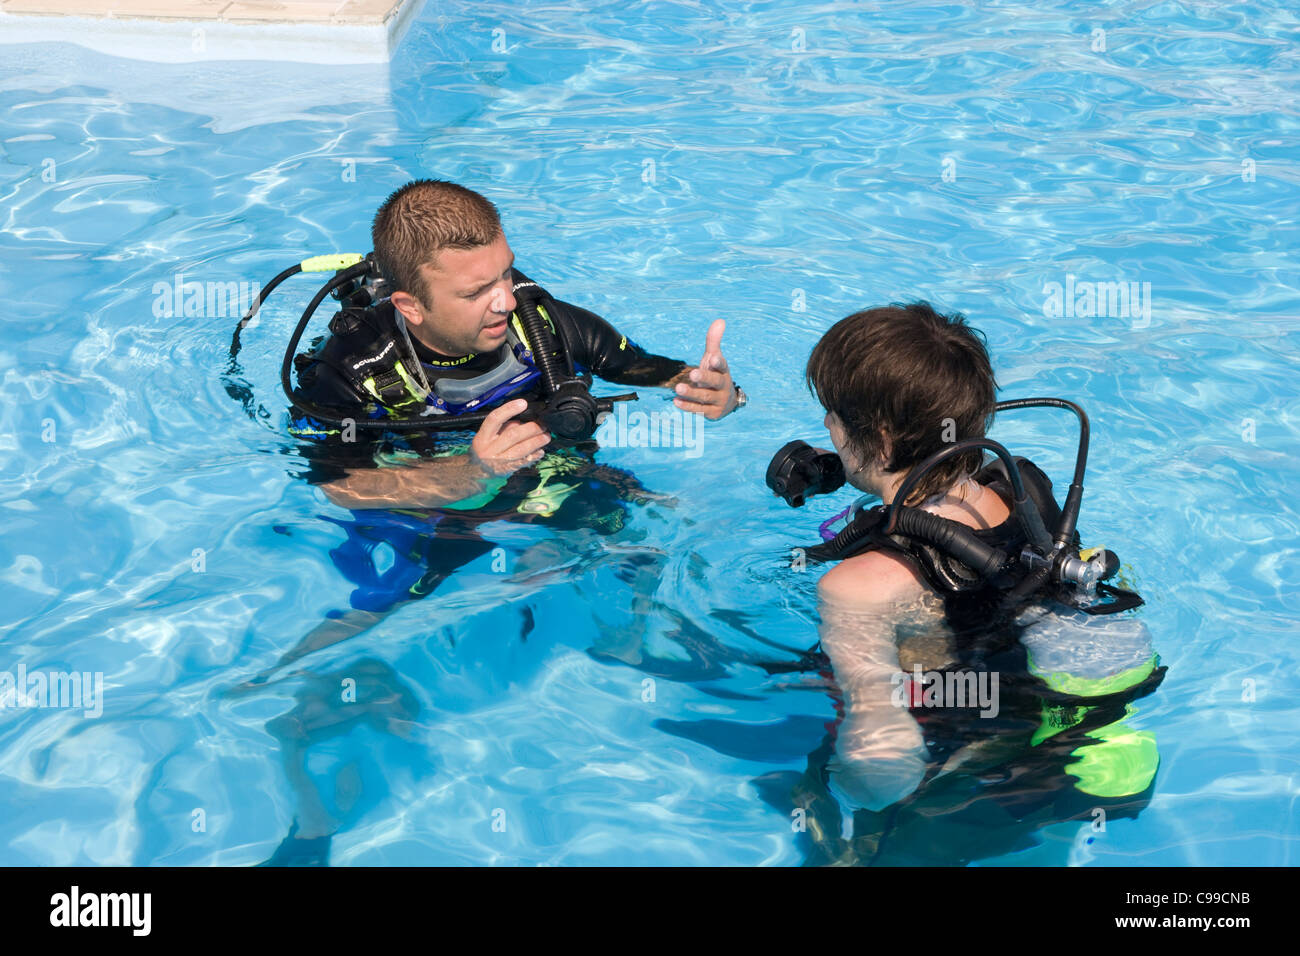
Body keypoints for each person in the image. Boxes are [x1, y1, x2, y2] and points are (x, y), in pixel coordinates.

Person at [796, 302, 1161, 828]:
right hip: (1067, 726)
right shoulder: (1019, 489)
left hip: (977, 769)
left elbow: (883, 759)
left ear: (879, 439)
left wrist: (854, 798)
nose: (826, 424)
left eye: (832, 413)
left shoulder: (858, 587)